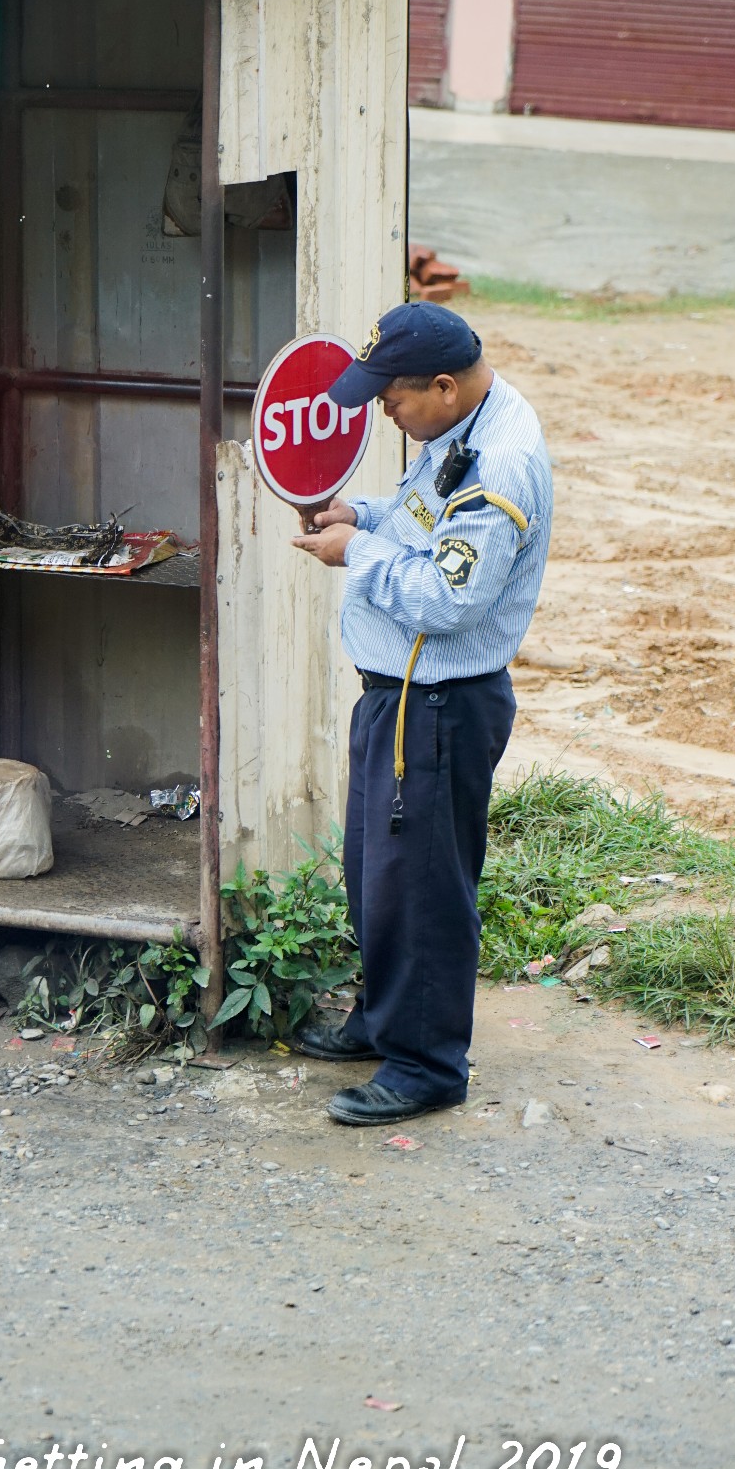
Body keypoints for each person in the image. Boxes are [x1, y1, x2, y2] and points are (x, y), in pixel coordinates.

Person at [289, 303, 552, 1127]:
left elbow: (447, 598)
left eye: (390, 398)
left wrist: (353, 554)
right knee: (377, 879)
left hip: (436, 706)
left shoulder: (497, 465)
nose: (382, 413)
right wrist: (361, 517)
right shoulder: (458, 428)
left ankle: (427, 1065)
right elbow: (423, 524)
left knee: (425, 891)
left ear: (442, 385)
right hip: (399, 698)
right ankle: (381, 1021)